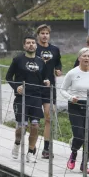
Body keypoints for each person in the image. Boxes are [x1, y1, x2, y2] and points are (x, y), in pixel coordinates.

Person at [6, 36, 50, 163]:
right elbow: (9, 77)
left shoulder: (41, 62)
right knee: (22, 126)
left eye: (33, 43)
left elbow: (45, 78)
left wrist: (46, 81)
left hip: (36, 97)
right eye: (28, 43)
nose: (31, 45)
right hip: (22, 98)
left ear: (36, 45)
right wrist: (16, 87)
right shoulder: (18, 60)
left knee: (35, 125)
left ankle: (30, 152)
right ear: (24, 46)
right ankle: (17, 143)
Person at [61, 48, 89, 174]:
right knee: (79, 135)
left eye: (88, 56)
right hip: (75, 105)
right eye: (84, 56)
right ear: (79, 58)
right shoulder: (72, 73)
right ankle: (74, 153)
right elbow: (63, 89)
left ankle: (84, 164)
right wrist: (70, 98)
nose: (86, 58)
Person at [35, 24, 63, 159]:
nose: (45, 35)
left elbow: (58, 63)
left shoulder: (55, 49)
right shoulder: (34, 48)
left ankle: (46, 149)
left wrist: (58, 70)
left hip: (50, 88)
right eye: (42, 33)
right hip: (35, 87)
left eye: (47, 33)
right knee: (34, 120)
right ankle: (31, 145)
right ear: (38, 35)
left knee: (48, 117)